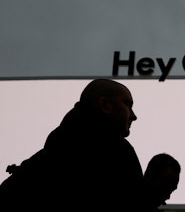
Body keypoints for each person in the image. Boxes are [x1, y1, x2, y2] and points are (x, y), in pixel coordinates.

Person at [0, 79, 144, 211]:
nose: (133, 116)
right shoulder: (119, 153)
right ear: (105, 105)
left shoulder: (49, 155)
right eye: (127, 104)